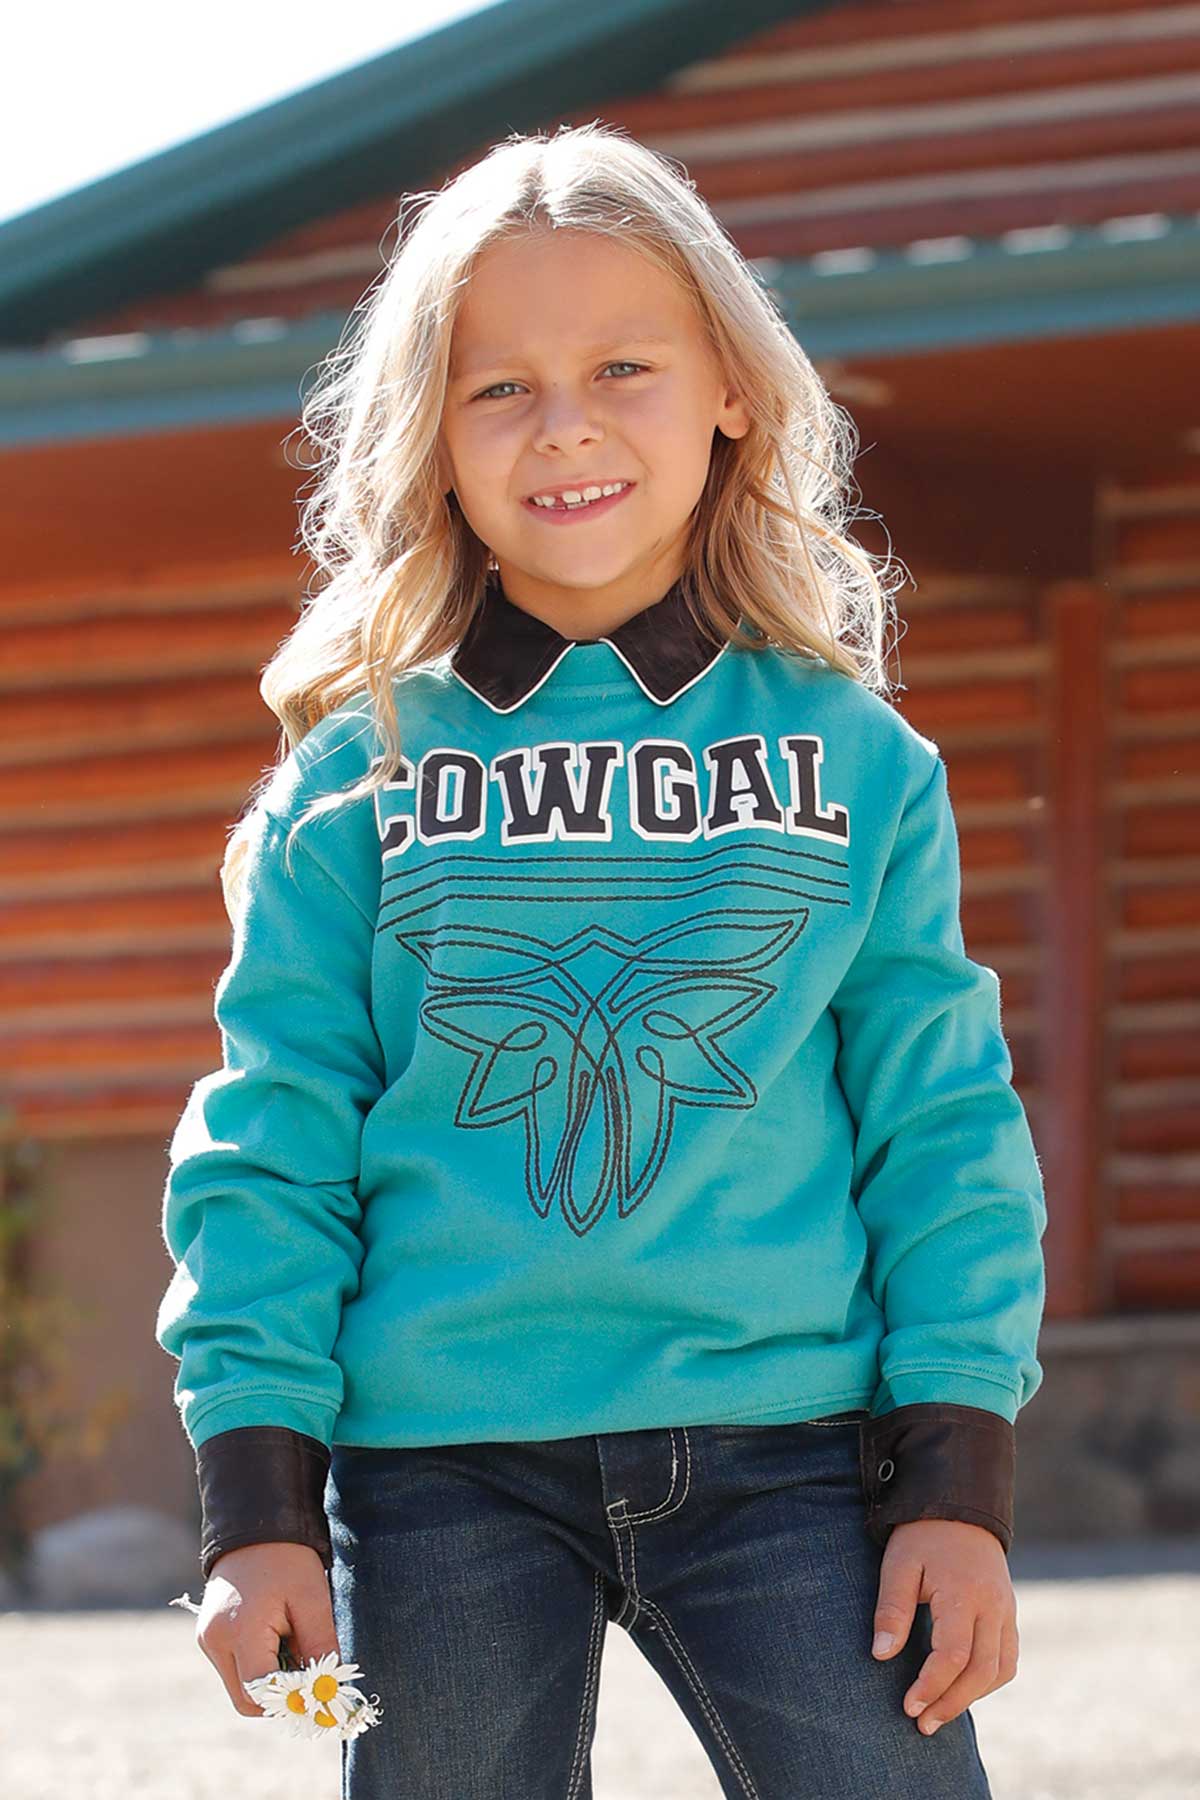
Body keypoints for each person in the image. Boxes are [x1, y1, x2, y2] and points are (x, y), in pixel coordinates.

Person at [155, 121, 1046, 1799]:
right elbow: (272, 1136)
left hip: (800, 1455)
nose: (564, 424)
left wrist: (957, 1479)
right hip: (433, 1471)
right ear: (430, 434)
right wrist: (256, 1505)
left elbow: (942, 1128)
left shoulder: (856, 761)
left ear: (730, 389)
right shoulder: (349, 781)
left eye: (623, 365)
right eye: (500, 387)